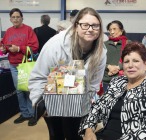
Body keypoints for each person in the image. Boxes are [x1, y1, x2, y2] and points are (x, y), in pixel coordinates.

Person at [29, 7, 107, 140]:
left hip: (78, 101)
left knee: (74, 135)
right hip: (53, 98)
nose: (90, 29)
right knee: (56, 135)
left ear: (100, 28)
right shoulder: (56, 44)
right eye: (85, 25)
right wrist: (38, 101)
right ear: (76, 26)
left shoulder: (101, 51)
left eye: (95, 25)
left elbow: (94, 83)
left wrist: (88, 104)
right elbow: (39, 75)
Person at [79, 41, 146, 140]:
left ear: (145, 64)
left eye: (136, 61)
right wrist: (88, 130)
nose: (130, 65)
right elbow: (96, 109)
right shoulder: (117, 82)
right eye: (126, 61)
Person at [0, 8, 39, 126]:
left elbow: (35, 47)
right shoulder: (8, 31)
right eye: (13, 17)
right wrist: (3, 48)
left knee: (27, 89)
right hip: (13, 64)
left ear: (22, 18)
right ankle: (24, 113)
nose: (15, 19)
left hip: (25, 64)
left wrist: (19, 48)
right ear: (10, 19)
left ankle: (33, 114)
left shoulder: (28, 30)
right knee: (19, 90)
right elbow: (5, 45)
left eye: (18, 17)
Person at [102, 20, 131, 93]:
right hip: (107, 79)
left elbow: (130, 60)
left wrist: (118, 67)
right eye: (110, 30)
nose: (112, 32)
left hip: (123, 79)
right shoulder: (104, 45)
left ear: (121, 31)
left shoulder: (128, 44)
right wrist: (109, 67)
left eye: (114, 29)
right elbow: (99, 61)